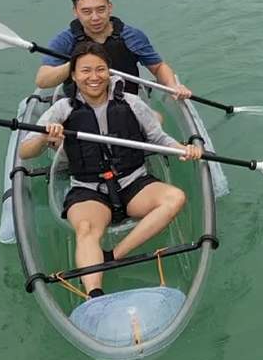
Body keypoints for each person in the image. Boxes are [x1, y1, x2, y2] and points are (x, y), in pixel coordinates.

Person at [18, 41, 203, 297]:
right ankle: (95, 296)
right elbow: (25, 151)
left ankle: (113, 256)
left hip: (133, 182)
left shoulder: (131, 102)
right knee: (86, 229)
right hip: (88, 189)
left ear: (109, 71)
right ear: (74, 75)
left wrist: (183, 149)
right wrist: (43, 137)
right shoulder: (62, 109)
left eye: (100, 69)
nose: (94, 77)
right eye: (85, 71)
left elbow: (158, 137)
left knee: (175, 198)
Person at [34, 0, 191, 100]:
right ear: (75, 12)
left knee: (156, 118)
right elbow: (43, 80)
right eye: (87, 12)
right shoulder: (65, 40)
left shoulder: (132, 36)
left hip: (126, 103)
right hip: (81, 107)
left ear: (110, 7)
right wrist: (75, 63)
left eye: (101, 10)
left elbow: (158, 67)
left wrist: (173, 86)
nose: (95, 17)